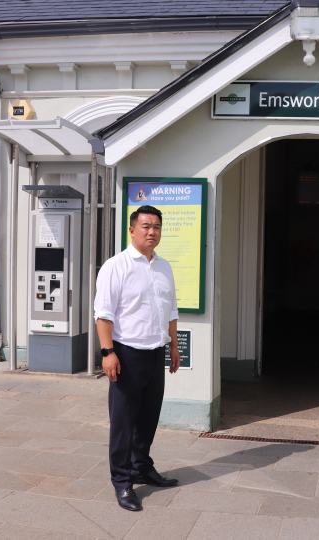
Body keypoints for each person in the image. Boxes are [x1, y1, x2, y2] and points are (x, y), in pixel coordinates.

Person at [94, 205, 181, 512]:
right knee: (123, 422)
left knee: (148, 418)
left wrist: (172, 346)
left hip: (156, 353)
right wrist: (108, 353)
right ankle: (122, 482)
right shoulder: (115, 266)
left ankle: (142, 467)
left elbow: (170, 310)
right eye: (145, 226)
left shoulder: (164, 266)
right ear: (132, 230)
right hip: (127, 356)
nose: (151, 232)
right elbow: (103, 315)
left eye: (156, 227)